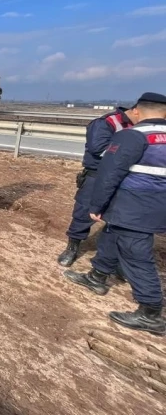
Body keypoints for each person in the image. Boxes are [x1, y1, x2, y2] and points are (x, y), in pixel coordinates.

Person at [63, 92, 166, 336]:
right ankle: (98, 275)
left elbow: (110, 174)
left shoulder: (133, 136)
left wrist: (96, 205)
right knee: (110, 235)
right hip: (155, 206)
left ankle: (151, 311)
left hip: (134, 205)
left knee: (136, 255)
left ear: (138, 111)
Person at [57, 105, 139, 266]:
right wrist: (130, 155)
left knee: (120, 215)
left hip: (126, 176)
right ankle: (73, 246)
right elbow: (98, 148)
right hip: (98, 175)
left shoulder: (142, 126)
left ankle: (113, 257)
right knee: (83, 212)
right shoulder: (107, 122)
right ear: (137, 110)